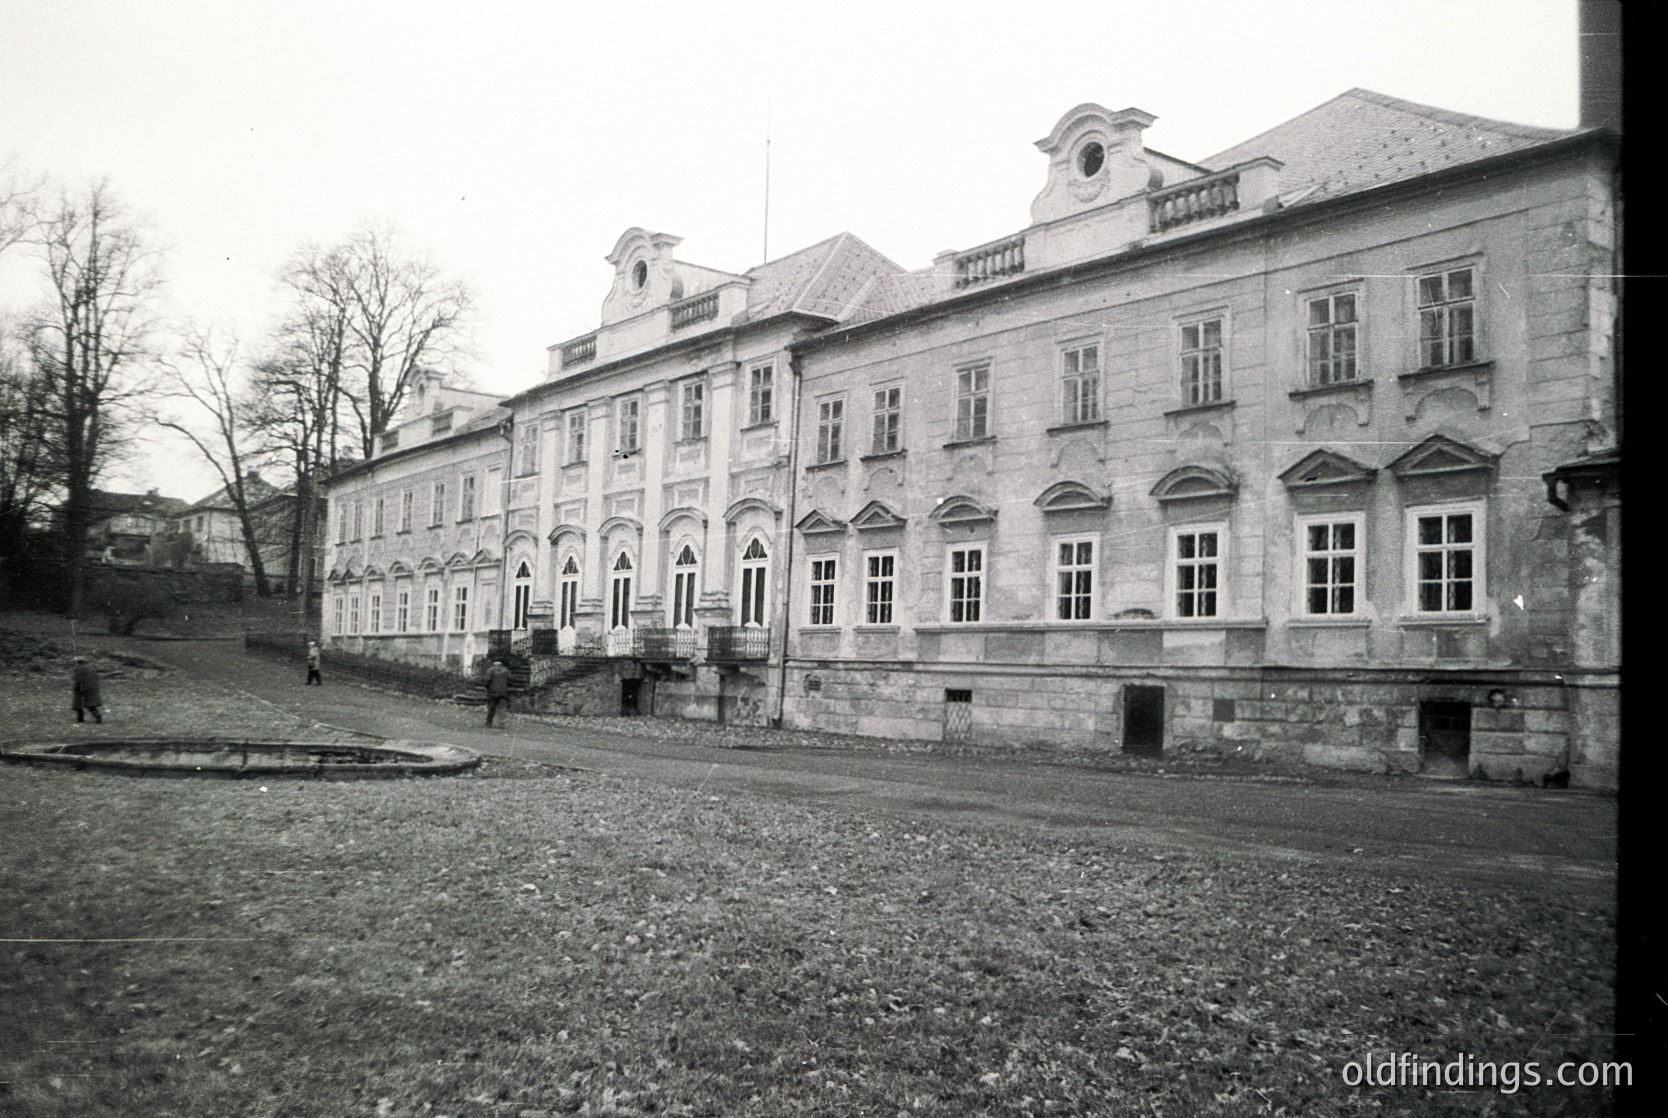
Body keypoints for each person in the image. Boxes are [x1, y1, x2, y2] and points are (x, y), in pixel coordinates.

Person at [72, 657, 104, 724]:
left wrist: (76, 687)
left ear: (78, 662)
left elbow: (77, 679)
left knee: (78, 702)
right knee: (91, 703)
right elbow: (96, 677)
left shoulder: (78, 669)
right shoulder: (91, 667)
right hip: (93, 686)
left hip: (82, 687)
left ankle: (80, 718)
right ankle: (97, 715)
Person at [485, 659, 512, 727]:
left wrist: (488, 688)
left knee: (492, 707)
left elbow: (487, 681)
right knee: (502, 707)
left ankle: (489, 721)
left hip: (493, 692)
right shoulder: (506, 671)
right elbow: (511, 680)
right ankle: (501, 723)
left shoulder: (490, 670)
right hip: (503, 692)